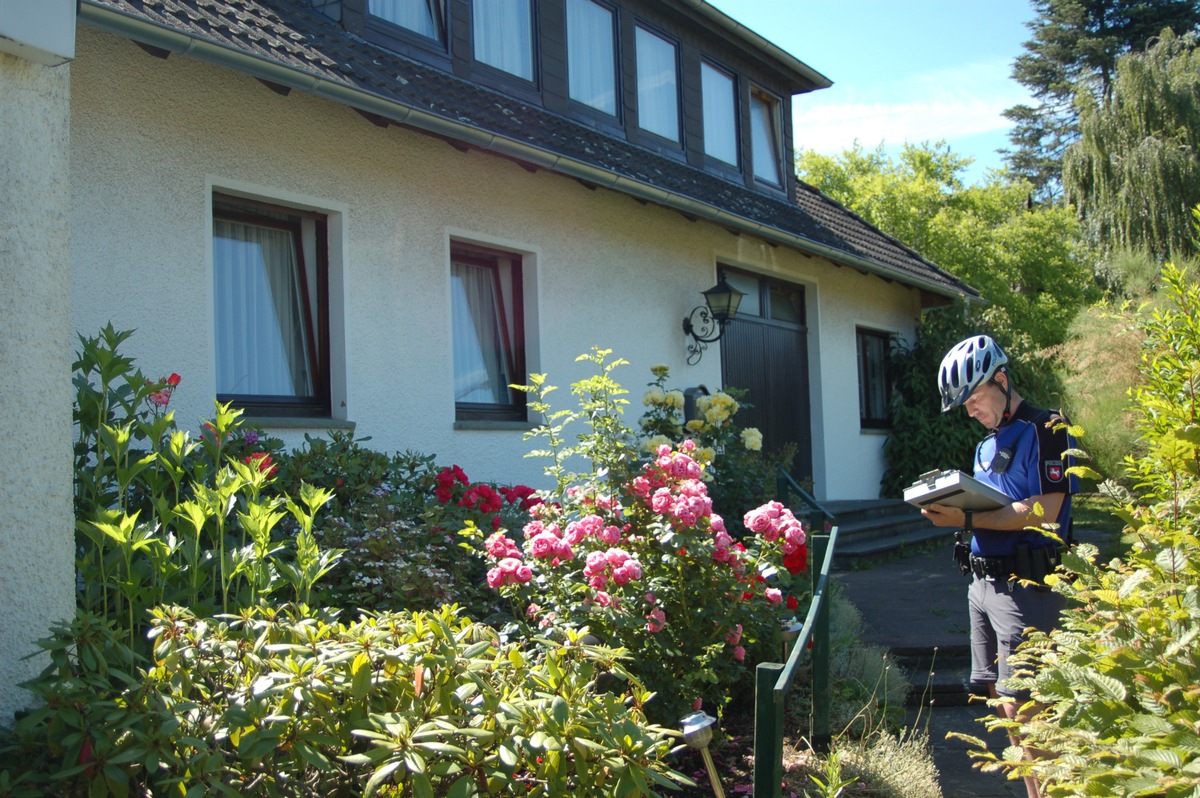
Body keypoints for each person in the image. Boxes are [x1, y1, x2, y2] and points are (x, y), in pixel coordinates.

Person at [921, 334, 1077, 798]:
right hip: (982, 583)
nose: (970, 411)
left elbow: (1047, 509)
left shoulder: (1047, 427)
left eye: (974, 398)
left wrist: (966, 516)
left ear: (1002, 380)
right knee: (1003, 703)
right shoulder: (985, 446)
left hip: (1029, 587)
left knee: (1032, 709)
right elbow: (993, 504)